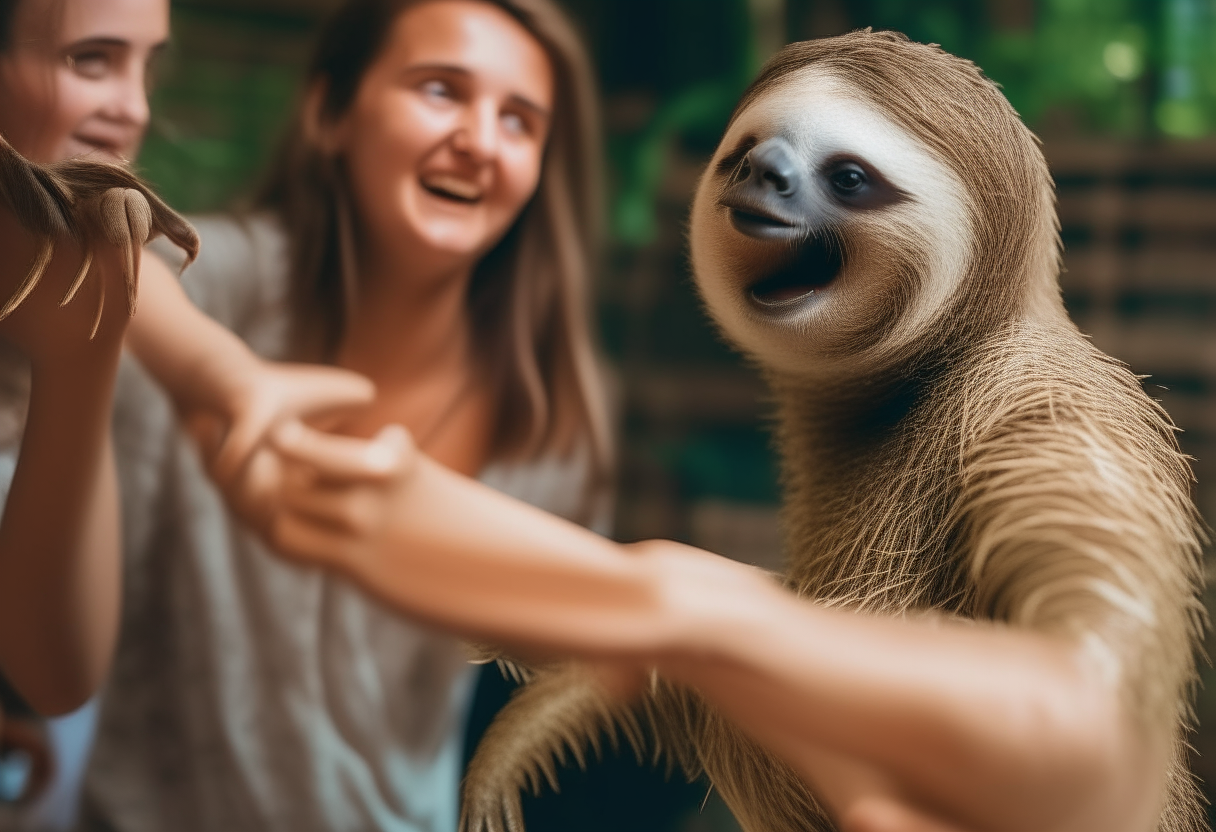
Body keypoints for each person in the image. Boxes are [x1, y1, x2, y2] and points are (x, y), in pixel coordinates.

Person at [77, 2, 675, 831]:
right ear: (329, 112)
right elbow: (95, 245)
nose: (479, 139)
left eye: (520, 121)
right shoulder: (221, 283)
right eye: (441, 90)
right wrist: (223, 374)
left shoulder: (552, 421)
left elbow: (560, 659)